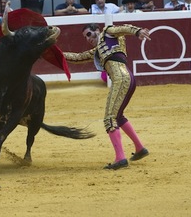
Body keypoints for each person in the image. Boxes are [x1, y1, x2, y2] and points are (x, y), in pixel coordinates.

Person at [63, 23, 151, 170]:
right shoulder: (97, 51)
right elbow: (78, 57)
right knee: (118, 116)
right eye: (86, 37)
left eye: (89, 34)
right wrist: (55, 54)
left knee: (110, 118)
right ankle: (140, 148)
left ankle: (120, 158)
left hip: (121, 78)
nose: (88, 38)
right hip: (126, 78)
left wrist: (138, 31)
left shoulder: (108, 32)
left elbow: (123, 29)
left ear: (97, 30)